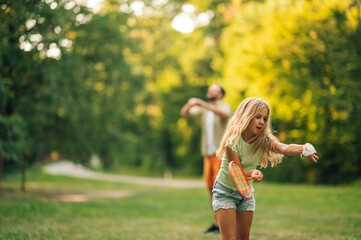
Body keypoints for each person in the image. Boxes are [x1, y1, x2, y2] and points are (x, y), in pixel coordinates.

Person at [212, 97, 319, 240]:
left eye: (264, 118)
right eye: (257, 117)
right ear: (246, 116)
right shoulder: (233, 141)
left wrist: (304, 148)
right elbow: (236, 174)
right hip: (225, 191)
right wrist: (253, 172)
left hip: (245, 193)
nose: (262, 121)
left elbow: (284, 147)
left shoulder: (264, 139)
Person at [180, 83, 233, 233]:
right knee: (210, 189)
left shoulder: (224, 106)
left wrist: (200, 103)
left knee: (220, 189)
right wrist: (190, 104)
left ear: (220, 94)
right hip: (207, 155)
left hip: (220, 155)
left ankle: (224, 224)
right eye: (209, 90)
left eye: (213, 90)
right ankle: (216, 223)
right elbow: (185, 113)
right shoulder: (204, 110)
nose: (209, 92)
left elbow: (224, 114)